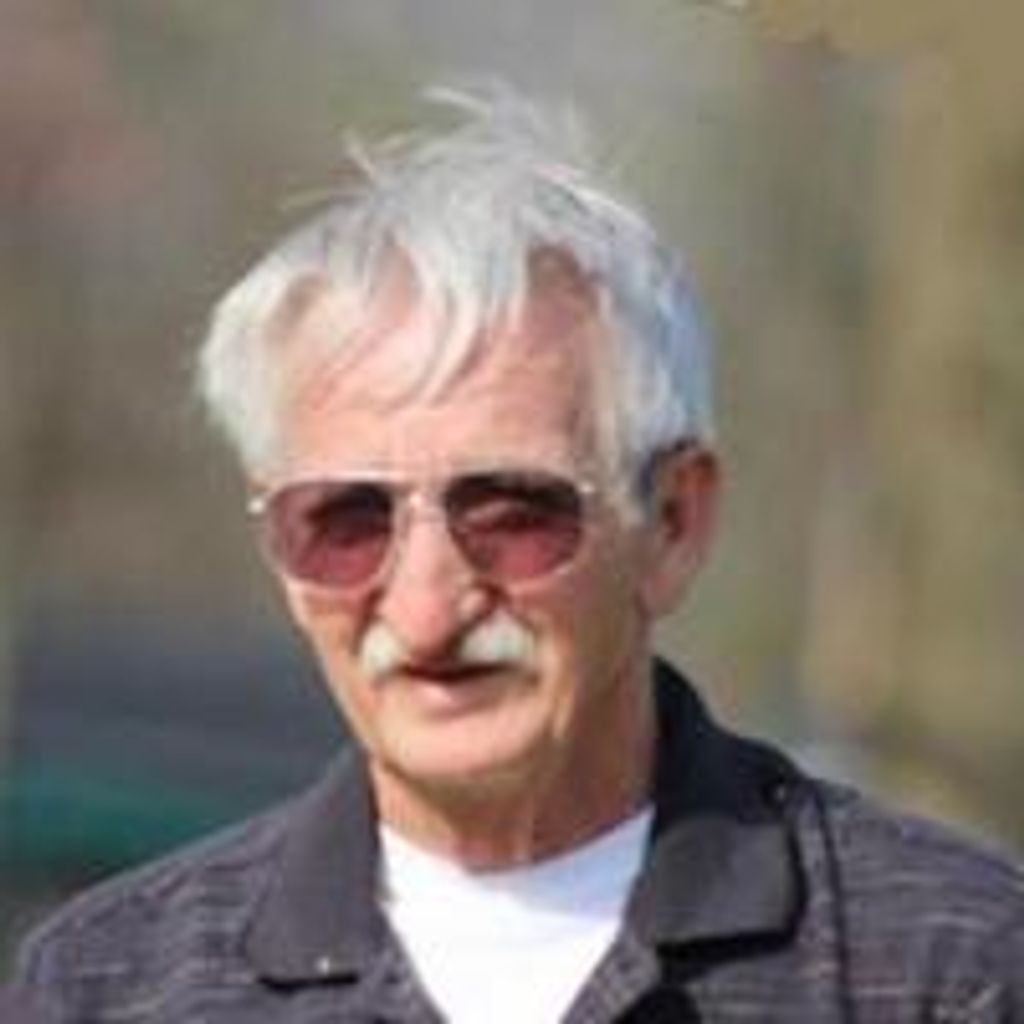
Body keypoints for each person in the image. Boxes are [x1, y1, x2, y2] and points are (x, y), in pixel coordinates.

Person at [10, 83, 1024, 1022]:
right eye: (346, 521)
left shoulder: (949, 966)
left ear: (673, 524)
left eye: (509, 513)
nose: (424, 609)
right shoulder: (110, 989)